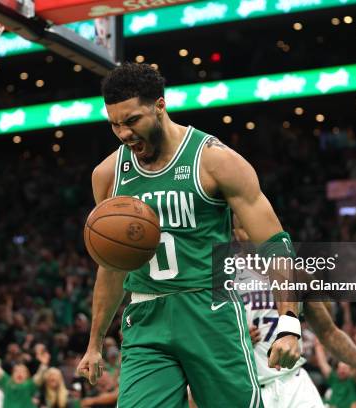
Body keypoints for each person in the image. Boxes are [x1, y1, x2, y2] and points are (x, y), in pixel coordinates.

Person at [76, 62, 301, 407]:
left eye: (132, 120)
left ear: (160, 106)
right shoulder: (107, 175)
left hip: (209, 309)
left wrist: (289, 322)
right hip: (146, 316)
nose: (123, 133)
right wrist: (94, 342)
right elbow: (112, 264)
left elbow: (274, 243)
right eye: (115, 124)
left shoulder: (214, 160)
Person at [234, 216, 356, 407]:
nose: (253, 231)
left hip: (295, 384)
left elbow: (328, 333)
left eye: (256, 222)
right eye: (244, 227)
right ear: (234, 234)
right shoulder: (222, 278)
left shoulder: (297, 274)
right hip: (249, 389)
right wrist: (232, 338)